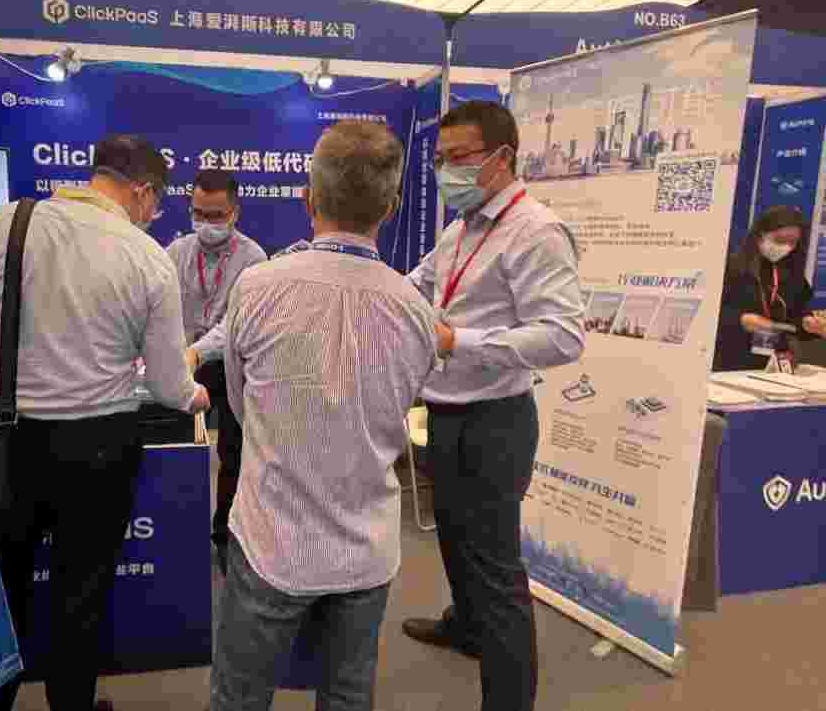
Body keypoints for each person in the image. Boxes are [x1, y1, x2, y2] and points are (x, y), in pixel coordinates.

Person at [0, 134, 210, 711]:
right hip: (99, 447)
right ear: (144, 192)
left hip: (6, 440)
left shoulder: (0, 227)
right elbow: (166, 384)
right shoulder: (145, 256)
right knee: (80, 593)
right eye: (155, 205)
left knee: (4, 587)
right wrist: (195, 396)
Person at [211, 121, 438, 711]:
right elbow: (405, 404)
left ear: (307, 198)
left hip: (272, 536)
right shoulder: (415, 310)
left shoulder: (256, 287)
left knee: (239, 697)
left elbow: (238, 402)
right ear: (390, 207)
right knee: (347, 696)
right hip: (367, 545)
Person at [401, 101, 585, 711]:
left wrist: (460, 341)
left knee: (496, 567)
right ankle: (467, 627)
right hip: (446, 411)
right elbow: (418, 285)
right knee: (454, 539)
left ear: (502, 157)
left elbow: (562, 336)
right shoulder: (460, 229)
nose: (445, 171)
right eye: (439, 159)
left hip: (494, 420)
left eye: (458, 158)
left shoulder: (536, 232)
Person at [167, 169, 266, 574]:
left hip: (232, 364)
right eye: (199, 213)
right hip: (182, 361)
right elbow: (162, 309)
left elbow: (234, 324)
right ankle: (173, 532)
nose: (206, 223)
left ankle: (224, 534)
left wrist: (195, 352)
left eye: (216, 215)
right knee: (173, 446)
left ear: (235, 212)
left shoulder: (254, 259)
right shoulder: (175, 252)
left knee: (234, 454)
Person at [713, 205, 826, 371]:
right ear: (761, 235)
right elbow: (711, 313)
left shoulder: (793, 276)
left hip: (775, 364)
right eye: (780, 240)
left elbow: (795, 317)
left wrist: (806, 323)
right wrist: (741, 320)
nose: (786, 247)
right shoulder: (731, 268)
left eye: (792, 242)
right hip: (730, 360)